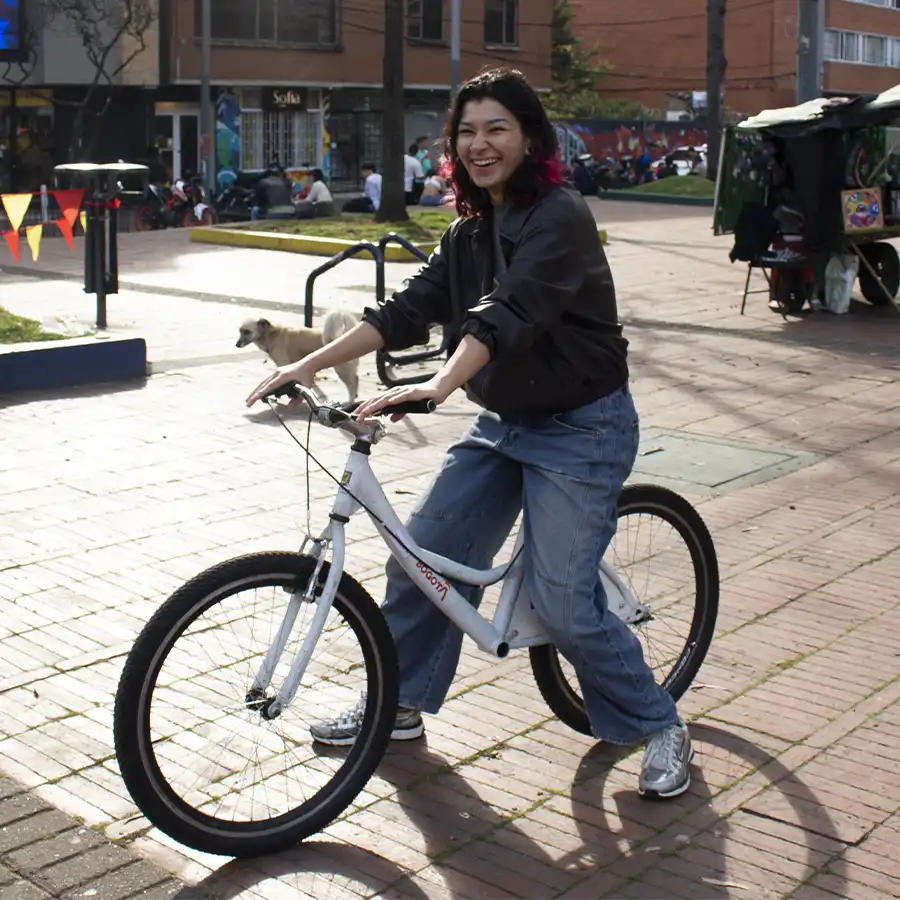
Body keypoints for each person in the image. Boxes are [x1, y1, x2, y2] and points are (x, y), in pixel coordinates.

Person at [246, 67, 694, 800]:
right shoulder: (467, 232)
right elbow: (403, 311)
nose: (479, 145)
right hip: (506, 422)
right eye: (467, 132)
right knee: (422, 556)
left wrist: (439, 384)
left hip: (582, 428)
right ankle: (398, 705)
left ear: (530, 139)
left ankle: (659, 720)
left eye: (497, 129)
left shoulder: (560, 216)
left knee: (563, 603)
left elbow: (507, 312)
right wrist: (305, 365)